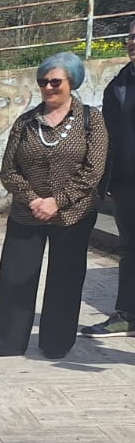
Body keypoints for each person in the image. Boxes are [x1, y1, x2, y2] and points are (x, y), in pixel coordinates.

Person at [0, 52, 107, 361]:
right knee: (15, 277)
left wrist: (57, 202)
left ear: (71, 82)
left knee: (65, 278)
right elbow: (9, 170)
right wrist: (33, 200)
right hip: (27, 212)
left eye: (55, 81)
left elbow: (93, 169)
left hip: (73, 214)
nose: (48, 87)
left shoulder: (91, 120)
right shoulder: (26, 122)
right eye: (43, 82)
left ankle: (56, 342)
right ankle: (3, 341)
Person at [85, 21, 135, 338]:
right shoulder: (118, 85)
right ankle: (126, 315)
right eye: (131, 36)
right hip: (126, 184)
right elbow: (107, 138)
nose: (133, 42)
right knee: (128, 249)